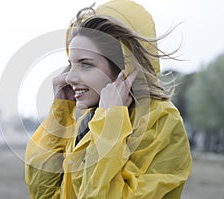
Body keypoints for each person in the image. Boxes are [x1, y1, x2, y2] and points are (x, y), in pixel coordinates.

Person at [25, 0, 192, 198]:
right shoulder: (90, 122)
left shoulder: (161, 122)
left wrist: (110, 126)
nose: (69, 77)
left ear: (124, 66)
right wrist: (61, 114)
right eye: (71, 64)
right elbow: (43, 194)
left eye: (85, 64)